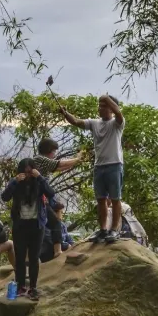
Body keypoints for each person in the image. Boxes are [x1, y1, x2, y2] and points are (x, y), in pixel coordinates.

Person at [60, 95, 124, 243]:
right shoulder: (95, 123)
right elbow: (76, 121)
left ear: (111, 108)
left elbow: (119, 113)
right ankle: (103, 230)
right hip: (99, 167)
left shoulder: (117, 123)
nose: (100, 108)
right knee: (101, 199)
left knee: (115, 199)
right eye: (99, 105)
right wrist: (65, 113)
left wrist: (106, 98)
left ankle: (114, 230)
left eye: (104, 105)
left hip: (114, 165)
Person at [1, 158, 58, 300]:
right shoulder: (16, 184)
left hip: (36, 225)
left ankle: (33, 287)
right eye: (24, 172)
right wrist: (14, 181)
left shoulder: (39, 183)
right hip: (20, 225)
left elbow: (51, 193)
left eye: (29, 172)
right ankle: (20, 286)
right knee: (20, 257)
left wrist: (40, 177)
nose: (27, 175)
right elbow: (5, 197)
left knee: (34, 257)